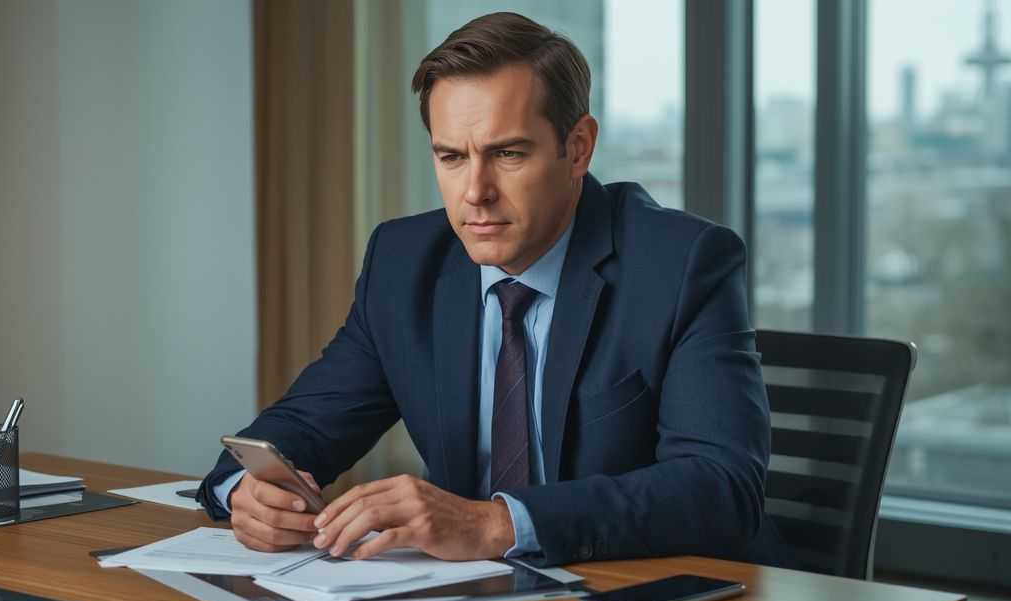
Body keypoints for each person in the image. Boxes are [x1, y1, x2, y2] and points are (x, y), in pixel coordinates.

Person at [199, 11, 792, 568]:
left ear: (578, 148)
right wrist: (247, 490)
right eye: (451, 157)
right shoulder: (404, 263)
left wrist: (494, 524)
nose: (475, 192)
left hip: (655, 588)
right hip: (471, 591)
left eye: (507, 153)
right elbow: (303, 425)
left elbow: (721, 486)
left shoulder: (681, 264)